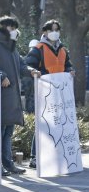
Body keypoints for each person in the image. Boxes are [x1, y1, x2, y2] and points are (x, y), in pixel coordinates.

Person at [0, 16, 40, 176]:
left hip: (10, 98)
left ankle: (7, 163)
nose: (15, 31)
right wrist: (0, 75)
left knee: (8, 132)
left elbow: (21, 65)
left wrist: (31, 70)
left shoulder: (11, 48)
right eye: (12, 28)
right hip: (0, 98)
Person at [25, 20, 75, 168]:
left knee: (58, 123)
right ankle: (35, 157)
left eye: (57, 30)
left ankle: (56, 154)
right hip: (44, 92)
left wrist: (70, 71)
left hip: (60, 92)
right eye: (52, 30)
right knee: (43, 124)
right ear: (45, 32)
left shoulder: (63, 49)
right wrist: (37, 73)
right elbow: (28, 65)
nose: (55, 32)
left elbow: (68, 65)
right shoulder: (38, 49)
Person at [22, 39, 40, 114]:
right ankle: (32, 113)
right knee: (32, 97)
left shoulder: (24, 58)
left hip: (25, 80)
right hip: (32, 79)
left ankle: (29, 113)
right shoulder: (37, 58)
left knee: (28, 97)